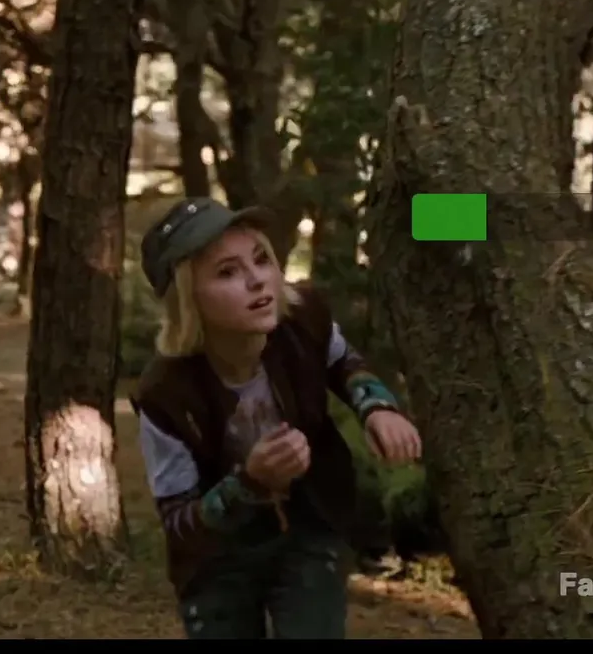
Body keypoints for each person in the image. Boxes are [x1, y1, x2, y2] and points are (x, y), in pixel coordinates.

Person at [129, 197, 422, 639]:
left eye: (261, 259)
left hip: (311, 524)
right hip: (217, 561)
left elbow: (344, 362)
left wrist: (377, 408)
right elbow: (179, 523)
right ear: (188, 299)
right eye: (227, 272)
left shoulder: (303, 318)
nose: (256, 280)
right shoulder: (163, 393)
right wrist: (249, 483)